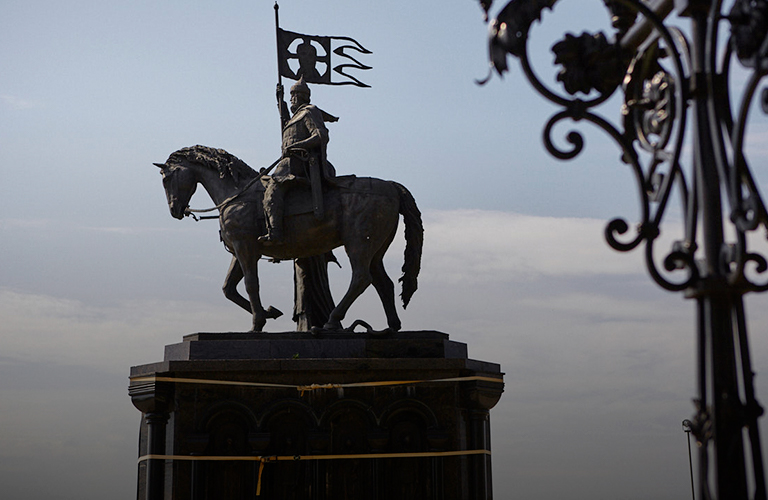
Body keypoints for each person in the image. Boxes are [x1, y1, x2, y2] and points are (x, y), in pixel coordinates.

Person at [258, 76, 337, 245]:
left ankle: (275, 232)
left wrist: (296, 146)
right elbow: (286, 121)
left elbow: (321, 135)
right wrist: (280, 101)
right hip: (289, 164)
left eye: (292, 97)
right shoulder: (295, 117)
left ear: (299, 97)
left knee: (273, 189)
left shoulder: (309, 111)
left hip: (301, 164)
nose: (291, 99)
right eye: (290, 97)